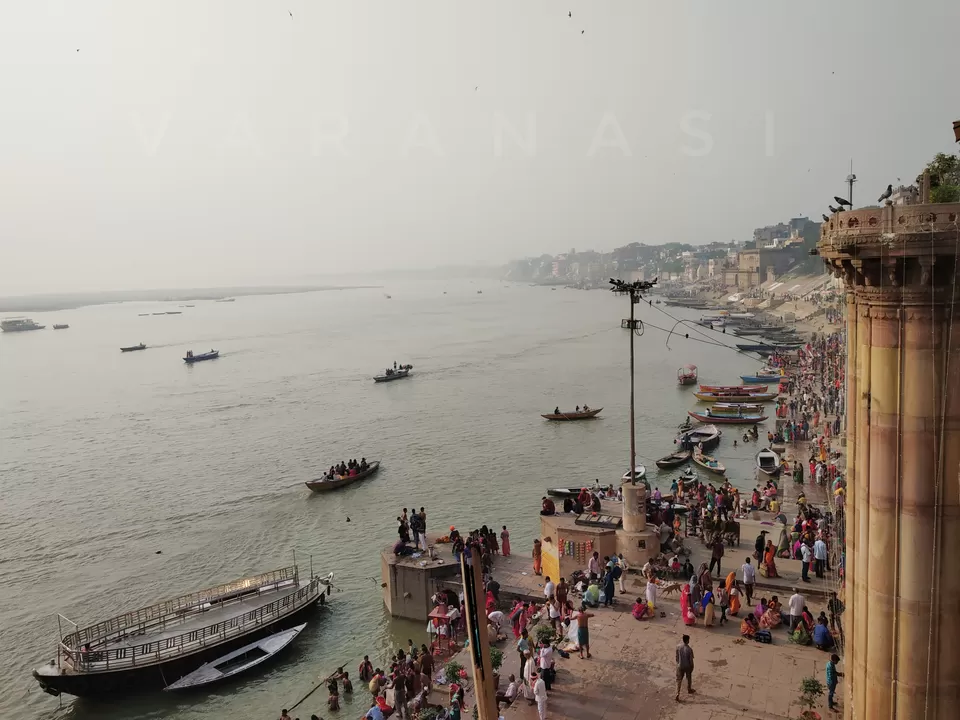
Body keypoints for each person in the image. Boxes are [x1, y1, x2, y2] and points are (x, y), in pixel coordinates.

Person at [675, 634, 695, 702]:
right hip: (687, 666)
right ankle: (689, 689)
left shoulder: (678, 647)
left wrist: (678, 663)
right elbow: (691, 661)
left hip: (680, 666)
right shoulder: (689, 649)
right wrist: (692, 667)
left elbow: (677, 657)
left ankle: (677, 693)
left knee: (679, 680)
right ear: (687, 640)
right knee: (688, 678)